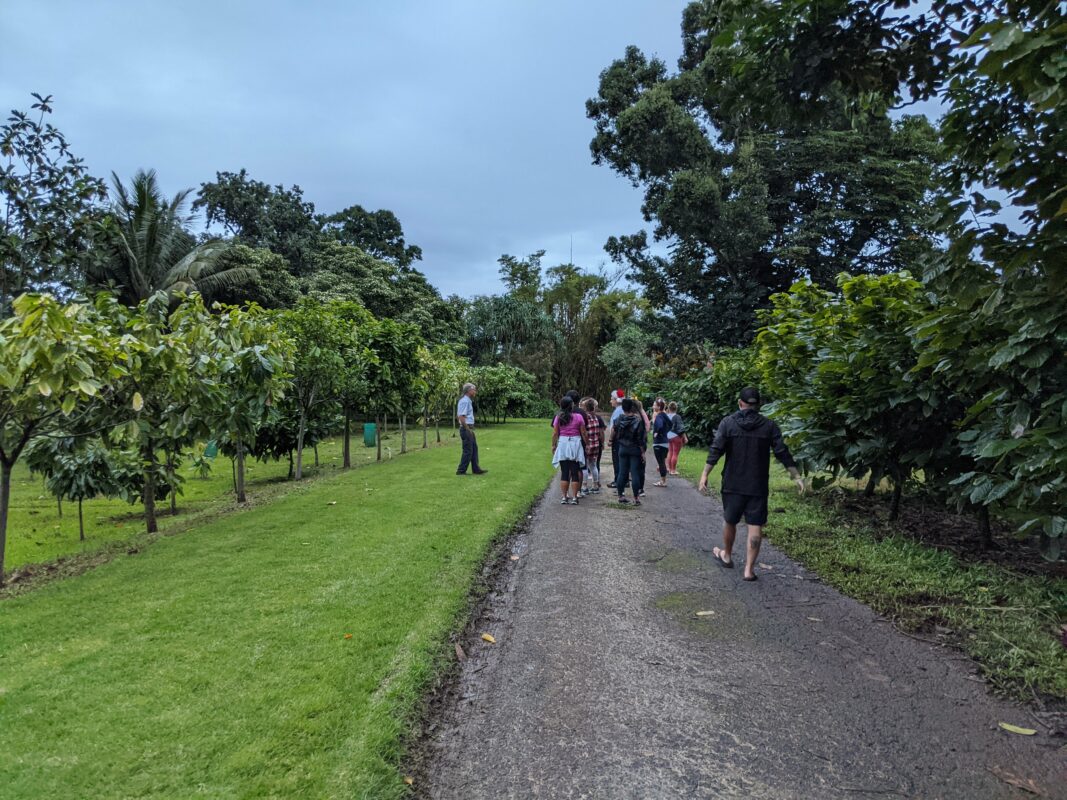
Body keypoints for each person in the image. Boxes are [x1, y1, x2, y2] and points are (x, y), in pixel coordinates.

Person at [697, 387, 804, 581]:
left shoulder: (728, 423)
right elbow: (782, 452)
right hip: (757, 484)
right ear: (759, 405)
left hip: (732, 482)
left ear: (740, 403)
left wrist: (705, 474)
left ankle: (727, 556)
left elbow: (716, 449)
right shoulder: (769, 426)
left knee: (730, 520)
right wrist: (796, 476)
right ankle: (749, 570)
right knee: (755, 525)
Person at [552, 396, 588, 505]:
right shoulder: (578, 417)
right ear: (571, 405)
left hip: (563, 443)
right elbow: (583, 432)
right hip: (575, 443)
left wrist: (553, 445)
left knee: (564, 472)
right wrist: (587, 444)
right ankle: (574, 498)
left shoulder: (558, 417)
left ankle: (564, 497)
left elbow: (555, 433)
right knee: (575, 472)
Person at [612, 398, 646, 506]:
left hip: (622, 448)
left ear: (622, 408)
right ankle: (636, 498)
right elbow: (640, 439)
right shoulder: (637, 420)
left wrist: (611, 441)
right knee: (634, 473)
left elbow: (614, 429)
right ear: (632, 407)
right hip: (634, 449)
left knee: (622, 472)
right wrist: (642, 452)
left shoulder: (619, 418)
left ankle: (621, 495)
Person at [456, 383, 487, 475]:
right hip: (466, 428)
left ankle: (476, 469)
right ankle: (461, 471)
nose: (475, 391)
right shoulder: (465, 401)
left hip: (469, 428)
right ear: (469, 390)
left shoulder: (467, 401)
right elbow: (461, 417)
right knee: (468, 450)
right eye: (474, 389)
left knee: (474, 448)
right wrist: (467, 429)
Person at [581, 398, 604, 494]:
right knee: (593, 465)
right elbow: (600, 432)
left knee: (584, 466)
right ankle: (595, 485)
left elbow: (584, 432)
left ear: (585, 407)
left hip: (588, 444)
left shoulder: (585, 417)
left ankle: (584, 486)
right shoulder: (596, 417)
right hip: (596, 443)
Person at [607, 389, 626, 488]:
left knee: (617, 460)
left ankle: (618, 480)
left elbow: (614, 427)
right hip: (622, 439)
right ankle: (623, 480)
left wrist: (610, 439)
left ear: (617, 400)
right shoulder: (622, 409)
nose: (611, 401)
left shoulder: (618, 411)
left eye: (612, 399)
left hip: (617, 439)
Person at [650, 397, 671, 487]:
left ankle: (663, 481)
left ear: (658, 407)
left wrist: (657, 432)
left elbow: (659, 424)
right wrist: (665, 432)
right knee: (662, 462)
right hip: (665, 442)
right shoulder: (664, 414)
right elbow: (671, 424)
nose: (653, 406)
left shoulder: (659, 416)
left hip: (659, 442)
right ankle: (663, 480)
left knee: (661, 463)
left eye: (654, 405)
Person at [666, 401, 687, 475]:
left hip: (668, 436)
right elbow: (681, 428)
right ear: (676, 408)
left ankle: (668, 468)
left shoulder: (667, 416)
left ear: (668, 408)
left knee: (670, 452)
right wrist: (685, 437)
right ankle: (673, 470)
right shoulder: (677, 417)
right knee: (675, 453)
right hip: (676, 436)